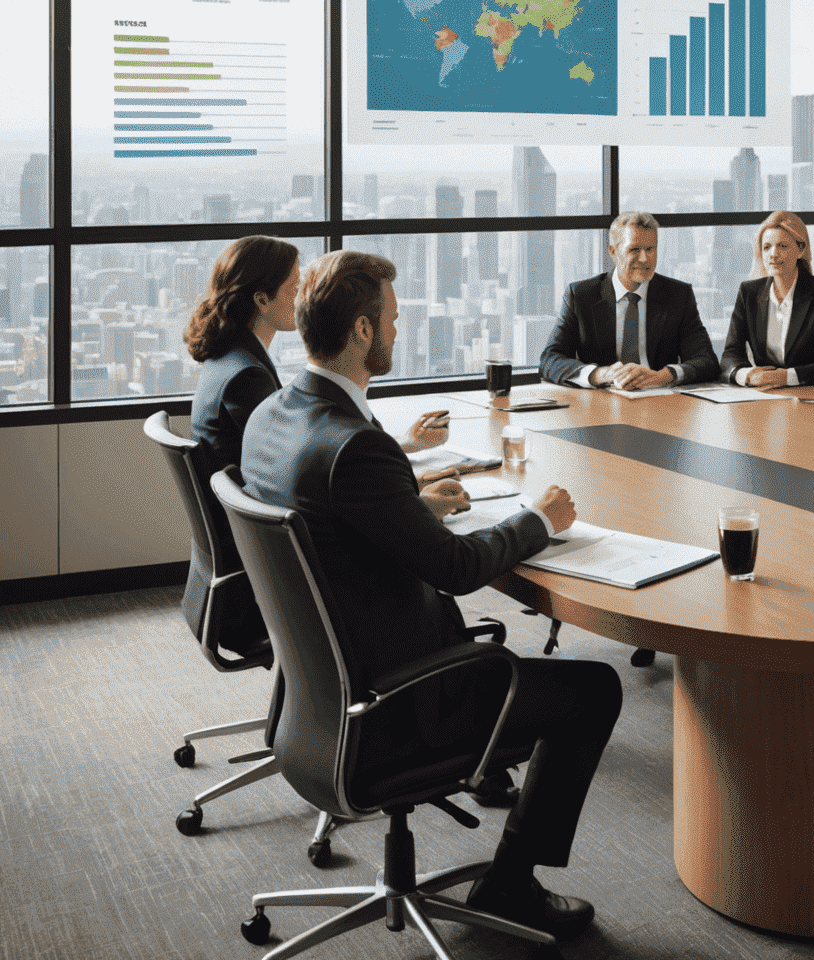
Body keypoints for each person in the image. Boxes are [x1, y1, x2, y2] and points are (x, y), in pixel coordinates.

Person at [242, 251, 622, 941]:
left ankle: (494, 816)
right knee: (595, 689)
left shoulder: (274, 413)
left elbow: (329, 516)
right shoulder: (357, 445)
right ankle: (508, 885)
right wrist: (540, 520)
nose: (398, 328)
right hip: (393, 705)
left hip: (316, 698)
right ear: (362, 330)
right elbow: (453, 568)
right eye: (392, 318)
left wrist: (407, 503)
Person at [183, 236, 301, 656]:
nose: (302, 298)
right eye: (294, 289)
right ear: (262, 299)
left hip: (238, 565)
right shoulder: (246, 375)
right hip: (257, 586)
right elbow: (289, 470)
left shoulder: (228, 357)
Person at [540, 210, 718, 390]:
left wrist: (663, 376)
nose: (644, 258)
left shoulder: (678, 295)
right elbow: (550, 360)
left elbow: (707, 361)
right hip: (603, 400)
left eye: (650, 249)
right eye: (634, 249)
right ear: (613, 252)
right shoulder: (581, 295)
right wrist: (601, 374)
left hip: (661, 398)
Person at [719, 211, 814, 388]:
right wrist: (747, 375)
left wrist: (786, 377)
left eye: (782, 246)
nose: (773, 254)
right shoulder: (749, 293)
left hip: (810, 395)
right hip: (763, 395)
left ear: (801, 249)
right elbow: (730, 355)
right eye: (767, 247)